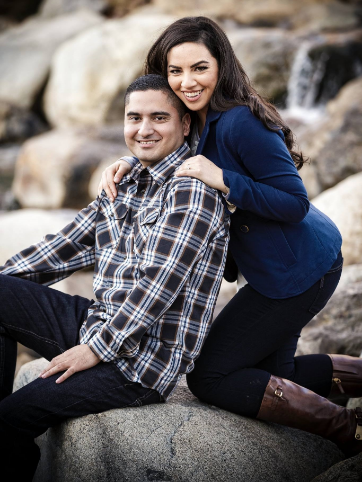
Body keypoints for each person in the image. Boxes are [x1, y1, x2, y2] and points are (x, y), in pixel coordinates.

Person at [98, 16, 362, 455]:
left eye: (199, 68)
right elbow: (171, 147)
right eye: (175, 71)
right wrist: (129, 160)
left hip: (297, 269)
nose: (186, 82)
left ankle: (346, 428)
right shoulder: (193, 119)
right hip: (274, 268)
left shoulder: (240, 122)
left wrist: (224, 179)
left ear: (222, 65)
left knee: (211, 376)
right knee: (277, 374)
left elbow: (294, 202)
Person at [0, 74, 229, 481]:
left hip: (141, 363)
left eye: (159, 117)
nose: (144, 130)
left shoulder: (193, 192)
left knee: (13, 417)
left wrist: (95, 349)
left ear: (185, 124)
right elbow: (60, 248)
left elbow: (156, 289)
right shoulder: (125, 182)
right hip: (98, 323)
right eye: (134, 117)